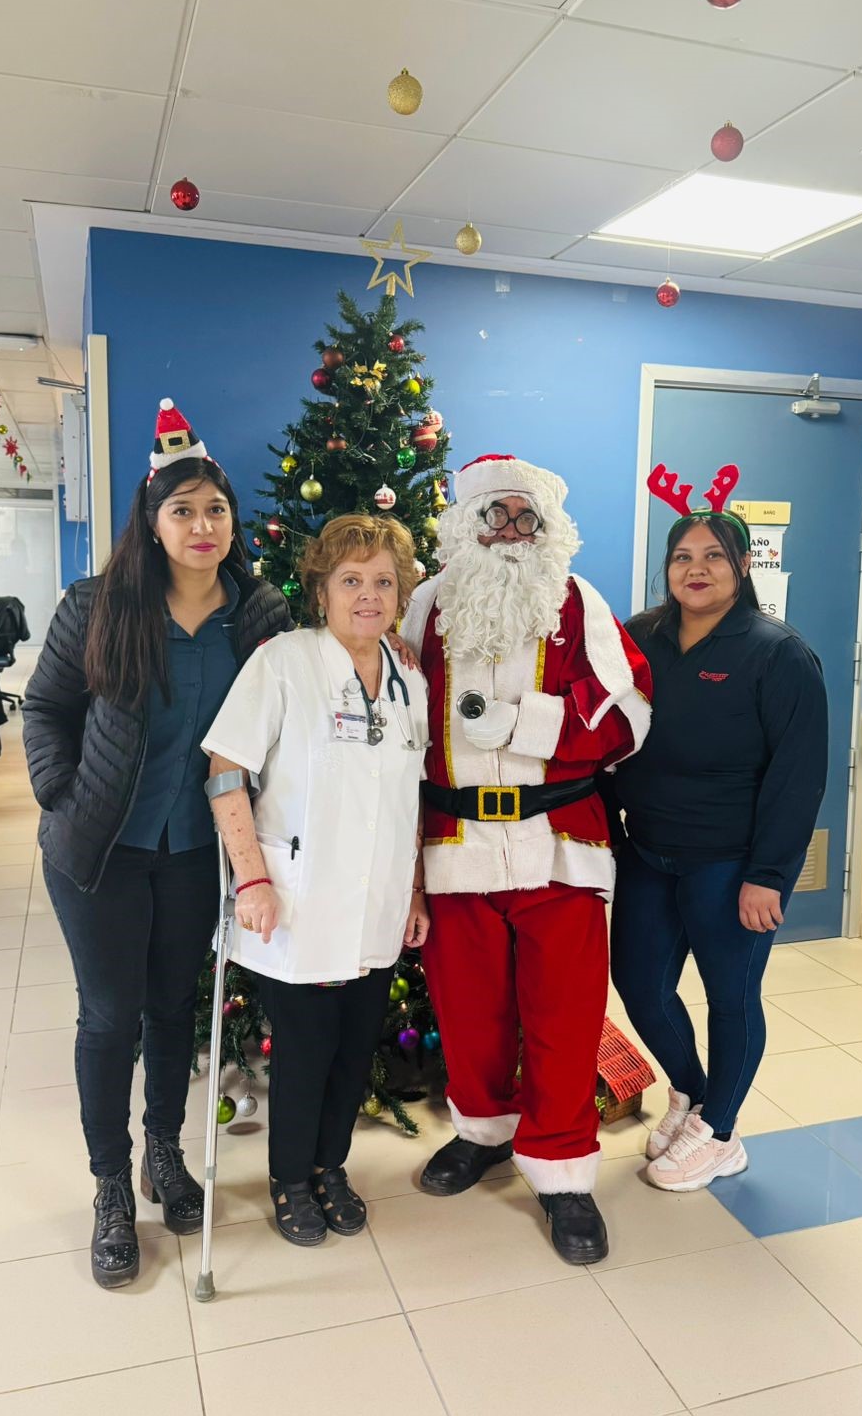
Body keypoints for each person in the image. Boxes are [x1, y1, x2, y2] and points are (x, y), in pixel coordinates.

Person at [23, 400, 293, 1289]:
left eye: (216, 509)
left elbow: (292, 709)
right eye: (183, 510)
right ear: (151, 521)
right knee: (109, 1016)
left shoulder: (258, 616)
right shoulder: (98, 605)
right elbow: (47, 709)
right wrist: (61, 794)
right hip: (100, 848)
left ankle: (164, 1153)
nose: (202, 525)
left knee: (172, 1010)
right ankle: (110, 1186)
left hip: (193, 851)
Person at [400, 454, 652, 1265]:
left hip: (559, 848)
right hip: (454, 845)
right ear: (465, 524)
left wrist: (523, 723)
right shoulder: (424, 606)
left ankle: (562, 1169)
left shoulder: (577, 602)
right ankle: (484, 1130)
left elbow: (628, 711)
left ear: (547, 529)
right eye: (495, 516)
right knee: (469, 1013)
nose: (511, 532)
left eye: (525, 518)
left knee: (564, 1019)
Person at [202, 514, 430, 1246]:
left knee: (355, 1051)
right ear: (321, 590)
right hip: (297, 904)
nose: (369, 595)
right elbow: (226, 771)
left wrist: (415, 892)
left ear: (401, 594)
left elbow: (411, 797)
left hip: (378, 905)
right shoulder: (283, 663)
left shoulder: (409, 681)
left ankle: (331, 1167)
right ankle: (290, 1179)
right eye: (351, 580)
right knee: (304, 1056)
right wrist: (251, 881)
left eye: (384, 582)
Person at [608, 462, 828, 1193]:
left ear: (742, 566)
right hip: (648, 850)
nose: (695, 569)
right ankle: (694, 1094)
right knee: (640, 986)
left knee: (730, 997)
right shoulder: (640, 638)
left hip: (732, 863)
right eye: (681, 556)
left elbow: (799, 776)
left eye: (713, 556)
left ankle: (722, 1132)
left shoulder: (777, 652)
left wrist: (769, 875)